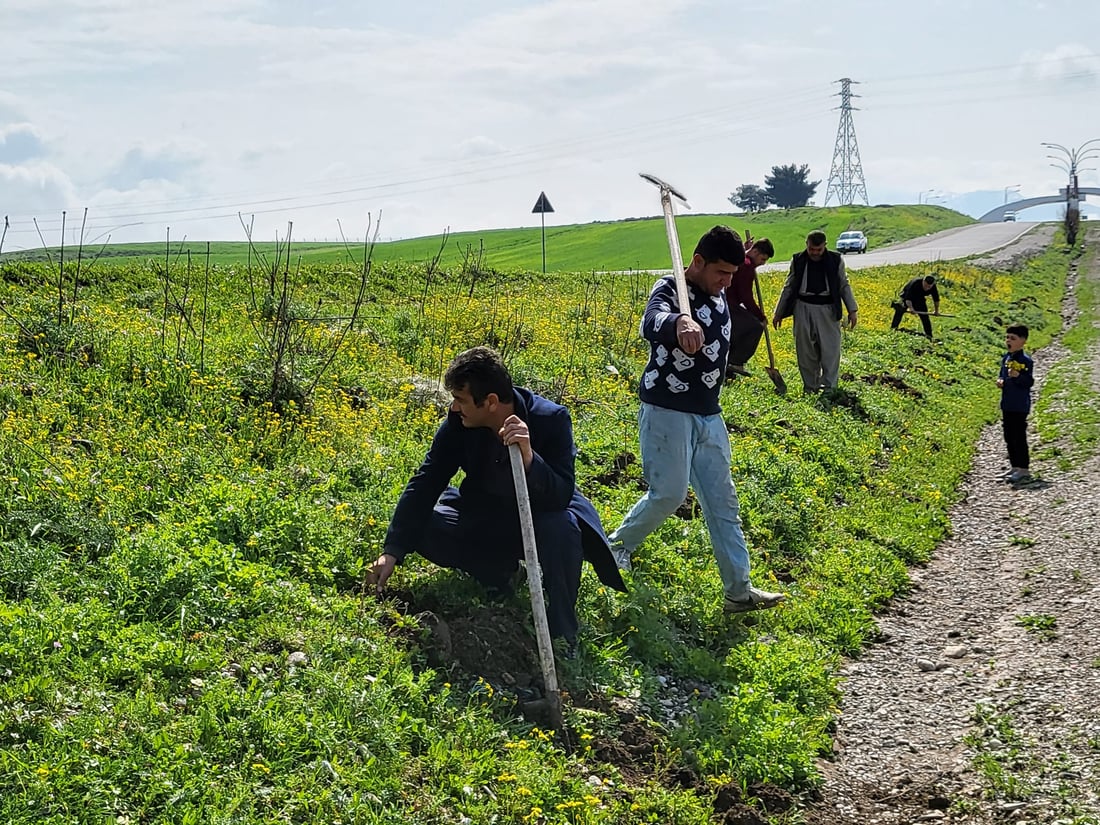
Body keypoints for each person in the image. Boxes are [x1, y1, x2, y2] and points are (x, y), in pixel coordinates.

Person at [368, 346, 626, 646]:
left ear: (490, 401)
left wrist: (530, 459)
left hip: (540, 518)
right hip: (485, 514)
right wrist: (393, 550)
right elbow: (428, 479)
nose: (454, 408)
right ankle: (499, 573)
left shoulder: (550, 419)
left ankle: (562, 632)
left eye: (460, 400)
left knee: (564, 529)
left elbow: (560, 494)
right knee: (425, 525)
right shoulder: (459, 424)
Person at [608, 226, 785, 613]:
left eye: (733, 275)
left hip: (709, 414)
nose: (726, 282)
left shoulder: (721, 295)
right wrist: (677, 324)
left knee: (723, 501)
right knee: (669, 495)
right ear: (698, 262)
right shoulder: (671, 289)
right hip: (666, 410)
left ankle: (739, 592)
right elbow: (650, 321)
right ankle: (616, 547)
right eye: (721, 273)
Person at [772, 230, 858, 393]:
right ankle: (810, 387)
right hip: (803, 307)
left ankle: (829, 388)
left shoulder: (836, 260)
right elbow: (789, 286)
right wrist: (778, 312)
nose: (815, 253)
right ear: (807, 245)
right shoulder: (798, 260)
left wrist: (852, 310)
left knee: (830, 350)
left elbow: (843, 285)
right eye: (812, 249)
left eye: (818, 250)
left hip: (828, 309)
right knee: (805, 351)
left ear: (825, 246)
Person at [724, 236, 776, 378]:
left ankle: (729, 363)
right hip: (729, 304)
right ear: (756, 252)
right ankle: (735, 362)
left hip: (727, 302)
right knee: (755, 326)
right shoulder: (746, 266)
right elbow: (746, 296)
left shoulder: (743, 259)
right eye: (763, 259)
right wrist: (761, 317)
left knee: (740, 327)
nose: (763, 264)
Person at [997, 325, 1034, 483]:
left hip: (1019, 405)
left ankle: (1024, 468)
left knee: (1019, 436)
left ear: (1023, 341)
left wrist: (1018, 376)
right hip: (1007, 403)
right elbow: (1002, 374)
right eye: (1007, 338)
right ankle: (1014, 466)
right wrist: (1001, 380)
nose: (1008, 341)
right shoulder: (1006, 358)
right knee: (1008, 435)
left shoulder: (1025, 361)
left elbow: (1029, 382)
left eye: (1013, 338)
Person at [891, 274, 941, 339]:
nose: (927, 288)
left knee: (925, 316)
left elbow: (936, 299)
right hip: (906, 296)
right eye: (926, 286)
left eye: (929, 287)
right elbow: (908, 299)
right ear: (923, 281)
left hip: (920, 298)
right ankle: (893, 329)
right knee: (900, 310)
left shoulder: (933, 287)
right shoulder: (915, 283)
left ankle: (929, 336)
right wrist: (911, 309)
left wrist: (936, 311)